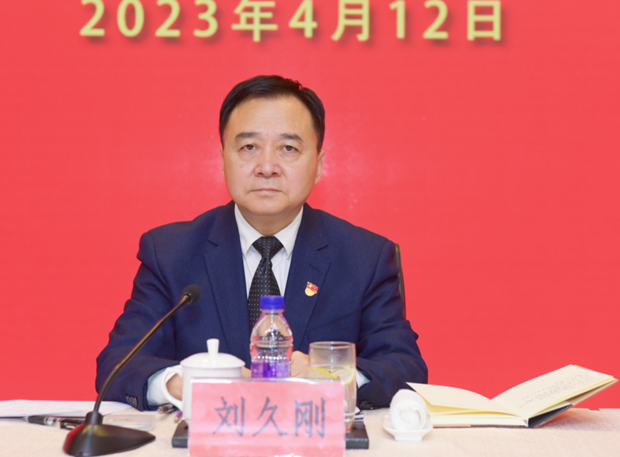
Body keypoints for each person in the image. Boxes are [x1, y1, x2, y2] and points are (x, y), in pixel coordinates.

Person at [96, 75, 427, 411]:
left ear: (318, 165)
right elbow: (118, 364)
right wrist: (184, 384)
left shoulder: (364, 257)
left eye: (288, 148)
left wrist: (333, 377)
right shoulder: (170, 253)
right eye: (249, 147)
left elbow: (405, 368)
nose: (267, 167)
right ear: (223, 159)